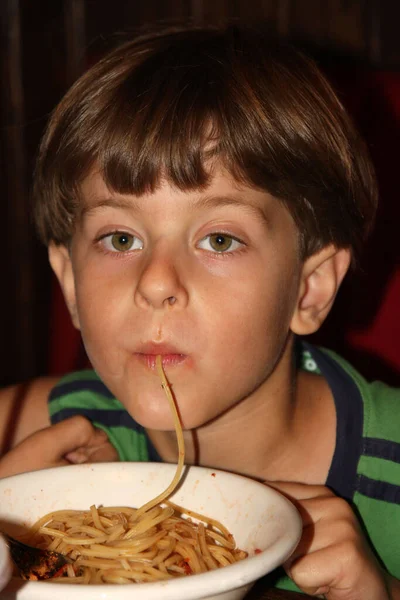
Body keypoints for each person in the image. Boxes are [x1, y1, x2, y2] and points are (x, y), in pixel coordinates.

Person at [0, 25, 399, 599]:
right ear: (69, 285)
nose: (156, 282)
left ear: (308, 289)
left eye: (218, 241)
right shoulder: (56, 431)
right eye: (119, 239)